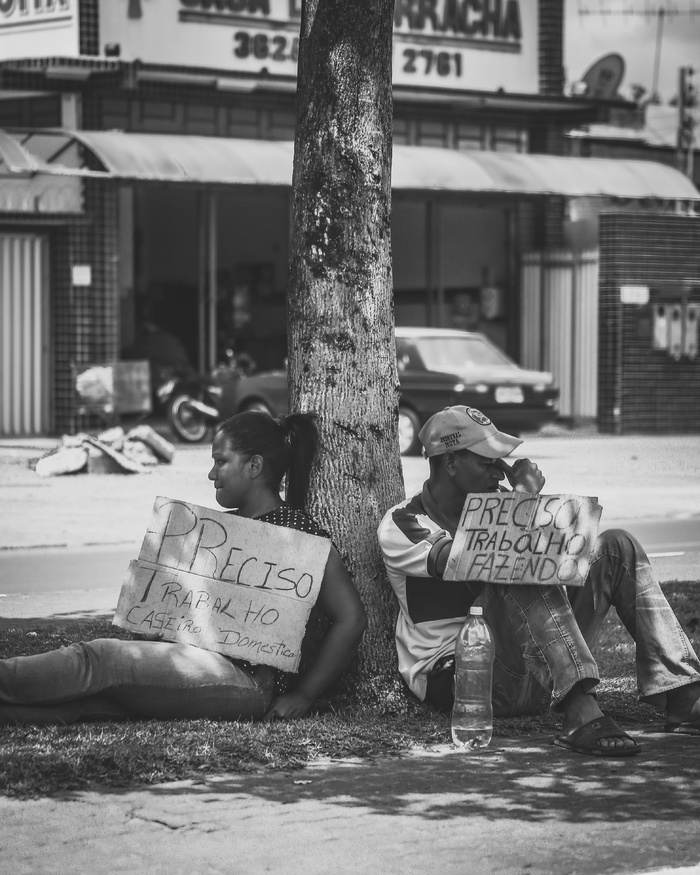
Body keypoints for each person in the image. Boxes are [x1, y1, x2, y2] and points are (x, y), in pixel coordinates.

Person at [0, 411, 367, 725]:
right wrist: (156, 626)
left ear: (254, 466)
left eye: (220, 461)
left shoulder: (296, 533)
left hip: (246, 682)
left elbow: (351, 617)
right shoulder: (206, 532)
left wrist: (304, 694)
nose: (211, 474)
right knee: (88, 704)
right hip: (196, 666)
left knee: (99, 659)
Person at [377, 405, 700, 757]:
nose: (500, 471)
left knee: (616, 547)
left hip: (535, 674)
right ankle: (580, 711)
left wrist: (532, 511)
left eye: (502, 460)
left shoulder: (499, 505)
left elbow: (552, 557)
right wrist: (522, 500)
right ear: (450, 463)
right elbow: (470, 559)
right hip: (466, 680)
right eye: (487, 461)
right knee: (518, 562)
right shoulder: (403, 522)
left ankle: (683, 692)